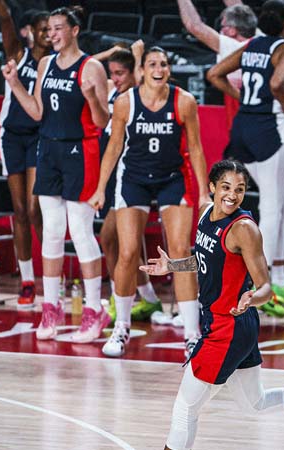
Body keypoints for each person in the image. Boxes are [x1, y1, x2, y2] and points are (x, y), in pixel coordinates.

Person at [139, 160, 284, 450]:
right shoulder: (206, 214)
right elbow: (206, 259)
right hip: (232, 326)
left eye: (239, 190)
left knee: (185, 409)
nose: (232, 195)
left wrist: (253, 297)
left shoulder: (244, 229)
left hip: (227, 329)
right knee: (256, 403)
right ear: (213, 187)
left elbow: (265, 285)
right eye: (226, 187)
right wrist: (173, 266)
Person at [90, 47, 210, 358]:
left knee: (181, 252)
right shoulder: (125, 102)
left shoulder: (184, 101)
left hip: (173, 177)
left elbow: (196, 149)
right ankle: (122, 328)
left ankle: (192, 334)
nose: (159, 69)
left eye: (164, 64)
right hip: (134, 179)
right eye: (153, 64)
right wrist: (101, 188)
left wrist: (204, 192)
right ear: (142, 69)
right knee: (128, 252)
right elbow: (114, 147)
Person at [3, 6, 110, 343]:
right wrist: (15, 83)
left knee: (79, 231)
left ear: (75, 30)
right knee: (50, 231)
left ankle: (94, 309)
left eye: (59, 28)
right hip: (47, 149)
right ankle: (51, 308)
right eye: (49, 29)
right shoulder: (45, 65)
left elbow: (103, 121)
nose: (52, 35)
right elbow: (36, 111)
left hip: (81, 151)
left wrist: (92, 98)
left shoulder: (91, 67)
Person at [207, 0, 284, 317]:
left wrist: (244, 98)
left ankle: (270, 273)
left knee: (277, 200)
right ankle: (268, 284)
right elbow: (276, 83)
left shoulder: (251, 45)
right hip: (268, 127)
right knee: (273, 204)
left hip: (242, 125)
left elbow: (215, 74)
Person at [92, 45, 165, 323]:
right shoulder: (112, 91)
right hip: (109, 177)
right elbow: (85, 67)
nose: (116, 79)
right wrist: (109, 52)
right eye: (112, 74)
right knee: (120, 242)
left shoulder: (139, 96)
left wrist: (138, 54)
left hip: (129, 175)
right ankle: (146, 297)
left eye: (121, 73)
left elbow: (138, 72)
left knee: (113, 238)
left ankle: (122, 297)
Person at [0, 0, 51, 305]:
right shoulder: (18, 53)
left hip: (40, 136)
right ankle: (27, 281)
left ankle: (50, 277)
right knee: (19, 211)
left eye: (50, 30)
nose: (46, 34)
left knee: (33, 209)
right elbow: (4, 18)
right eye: (42, 29)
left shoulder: (54, 63)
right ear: (31, 33)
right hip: (12, 136)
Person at [177, 0, 258, 131]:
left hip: (243, 116)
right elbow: (239, 8)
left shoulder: (233, 46)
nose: (220, 31)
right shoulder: (261, 39)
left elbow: (193, 25)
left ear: (232, 31)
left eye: (223, 27)